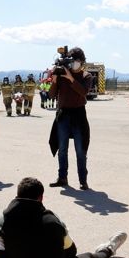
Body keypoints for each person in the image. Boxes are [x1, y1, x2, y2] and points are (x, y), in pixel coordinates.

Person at [48, 46, 92, 189]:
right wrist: (54, 80)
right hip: (63, 114)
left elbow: (83, 92)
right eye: (72, 61)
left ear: (82, 62)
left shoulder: (86, 76)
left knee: (80, 150)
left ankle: (83, 180)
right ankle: (62, 178)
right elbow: (51, 95)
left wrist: (70, 78)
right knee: (62, 149)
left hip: (79, 114)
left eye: (76, 61)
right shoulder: (61, 75)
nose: (74, 64)